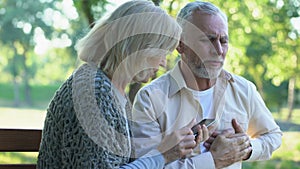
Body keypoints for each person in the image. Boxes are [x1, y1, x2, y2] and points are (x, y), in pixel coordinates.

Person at [37, 1, 209, 169]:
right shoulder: (94, 91)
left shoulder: (112, 90)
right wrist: (164, 154)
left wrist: (175, 148)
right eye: (162, 53)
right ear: (139, 48)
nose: (164, 63)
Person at [131, 1, 282, 169]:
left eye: (223, 41)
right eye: (208, 40)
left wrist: (244, 148)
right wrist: (213, 160)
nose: (218, 50)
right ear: (180, 45)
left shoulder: (243, 89)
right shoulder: (150, 99)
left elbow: (273, 136)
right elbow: (146, 166)